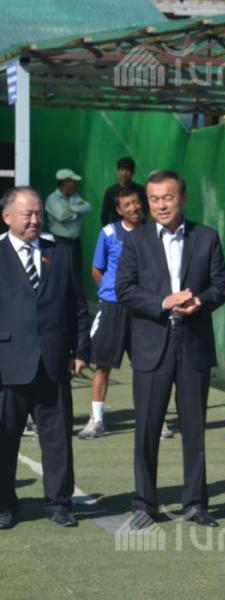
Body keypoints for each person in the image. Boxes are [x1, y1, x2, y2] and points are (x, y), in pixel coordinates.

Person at [116, 170, 225, 530]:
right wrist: (162, 302)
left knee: (194, 429)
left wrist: (200, 301)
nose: (161, 205)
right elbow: (124, 288)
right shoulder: (136, 240)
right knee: (147, 429)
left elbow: (221, 286)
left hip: (193, 344)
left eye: (168, 197)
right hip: (152, 344)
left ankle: (195, 503)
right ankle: (144, 504)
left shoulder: (206, 237)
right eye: (154, 199)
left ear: (183, 198)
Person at [0, 186, 91, 529]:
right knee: (4, 440)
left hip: (53, 362)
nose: (35, 220)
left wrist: (81, 350)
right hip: (8, 363)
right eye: (28, 214)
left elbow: (77, 305)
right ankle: (5, 504)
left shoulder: (61, 254)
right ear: (7, 216)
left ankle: (59, 503)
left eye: (39, 213)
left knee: (58, 439)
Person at [78, 188, 144, 440]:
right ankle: (96, 420)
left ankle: (154, 420)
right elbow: (97, 270)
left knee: (146, 368)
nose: (134, 207)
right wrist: (112, 293)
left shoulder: (152, 232)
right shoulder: (108, 233)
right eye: (128, 204)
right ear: (118, 210)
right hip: (113, 308)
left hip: (142, 309)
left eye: (136, 202)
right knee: (103, 366)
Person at [44, 168, 92, 277]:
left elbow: (88, 207)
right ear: (65, 183)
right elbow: (62, 216)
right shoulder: (52, 199)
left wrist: (72, 208)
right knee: (61, 275)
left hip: (75, 244)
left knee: (76, 275)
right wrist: (77, 213)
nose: (75, 184)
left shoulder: (75, 197)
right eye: (73, 182)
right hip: (59, 244)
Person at [100, 157, 147, 226]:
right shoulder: (110, 191)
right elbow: (104, 215)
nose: (124, 174)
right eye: (121, 170)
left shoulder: (140, 190)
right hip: (117, 228)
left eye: (127, 170)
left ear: (133, 172)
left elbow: (147, 212)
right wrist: (108, 230)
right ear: (117, 171)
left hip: (137, 228)